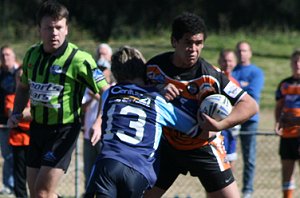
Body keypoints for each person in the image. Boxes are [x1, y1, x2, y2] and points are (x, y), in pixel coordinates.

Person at [145, 12, 258, 198]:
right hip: (167, 147)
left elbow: (250, 104)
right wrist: (156, 90)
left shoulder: (211, 75)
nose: (193, 49)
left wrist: (221, 125)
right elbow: (130, 92)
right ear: (174, 41)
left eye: (198, 43)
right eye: (188, 42)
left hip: (204, 146)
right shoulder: (154, 68)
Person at [6, 1, 109, 197]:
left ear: (67, 29)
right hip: (37, 128)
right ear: (40, 30)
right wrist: (17, 112)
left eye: (59, 27)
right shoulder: (31, 55)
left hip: (63, 131)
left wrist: (99, 121)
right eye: (49, 28)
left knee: (43, 192)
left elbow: (106, 91)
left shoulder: (80, 60)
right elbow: (23, 87)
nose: (54, 33)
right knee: (36, 194)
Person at [84, 46, 200, 198]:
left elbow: (104, 84)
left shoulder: (109, 93)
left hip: (108, 164)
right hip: (138, 170)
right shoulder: (157, 100)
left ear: (115, 72)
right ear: (143, 70)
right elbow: (191, 125)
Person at [232, 41, 265, 198]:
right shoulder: (232, 70)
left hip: (249, 120)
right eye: (239, 51)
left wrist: (237, 92)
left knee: (249, 157)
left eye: (244, 51)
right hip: (230, 119)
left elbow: (252, 93)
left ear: (250, 53)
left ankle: (247, 191)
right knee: (228, 155)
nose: (242, 54)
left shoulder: (256, 72)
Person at [82, 43, 114, 188]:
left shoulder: (115, 86)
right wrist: (91, 96)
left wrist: (99, 96)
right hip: (89, 134)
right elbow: (82, 106)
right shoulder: (89, 85)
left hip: (106, 135)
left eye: (104, 54)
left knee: (105, 173)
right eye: (99, 54)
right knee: (89, 173)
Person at [275, 49, 300, 198]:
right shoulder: (284, 84)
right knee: (286, 171)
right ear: (291, 63)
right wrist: (277, 122)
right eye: (295, 61)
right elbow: (279, 106)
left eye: (299, 61)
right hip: (287, 134)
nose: (297, 64)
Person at [5, 67, 31, 198]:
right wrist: (29, 112)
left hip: (35, 141)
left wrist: (22, 114)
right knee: (19, 176)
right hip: (18, 141)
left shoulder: (35, 98)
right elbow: (12, 113)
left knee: (37, 174)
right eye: (18, 77)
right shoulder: (11, 97)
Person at [0, 45, 20, 195]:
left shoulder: (21, 73)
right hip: (4, 122)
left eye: (8, 55)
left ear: (14, 56)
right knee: (7, 155)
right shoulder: (1, 74)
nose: (5, 58)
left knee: (21, 156)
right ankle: (9, 185)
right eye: (2, 55)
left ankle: (20, 183)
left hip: (23, 123)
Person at [218, 49, 241, 171]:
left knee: (229, 164)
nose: (227, 64)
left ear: (235, 63)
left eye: (230, 61)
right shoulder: (214, 80)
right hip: (217, 128)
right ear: (219, 61)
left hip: (231, 128)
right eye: (224, 60)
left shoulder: (235, 83)